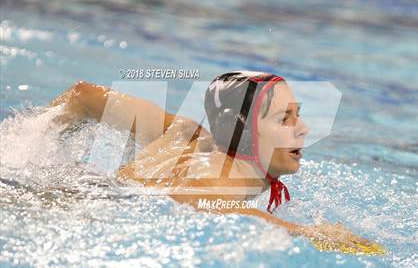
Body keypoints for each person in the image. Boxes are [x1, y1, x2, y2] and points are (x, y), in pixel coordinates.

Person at [50, 71, 384, 254]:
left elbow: (83, 95)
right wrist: (304, 232)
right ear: (248, 133)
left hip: (68, 191)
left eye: (298, 116)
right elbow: (193, 198)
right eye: (284, 119)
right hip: (72, 217)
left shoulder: (188, 135)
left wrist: (29, 138)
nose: (304, 129)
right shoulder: (217, 180)